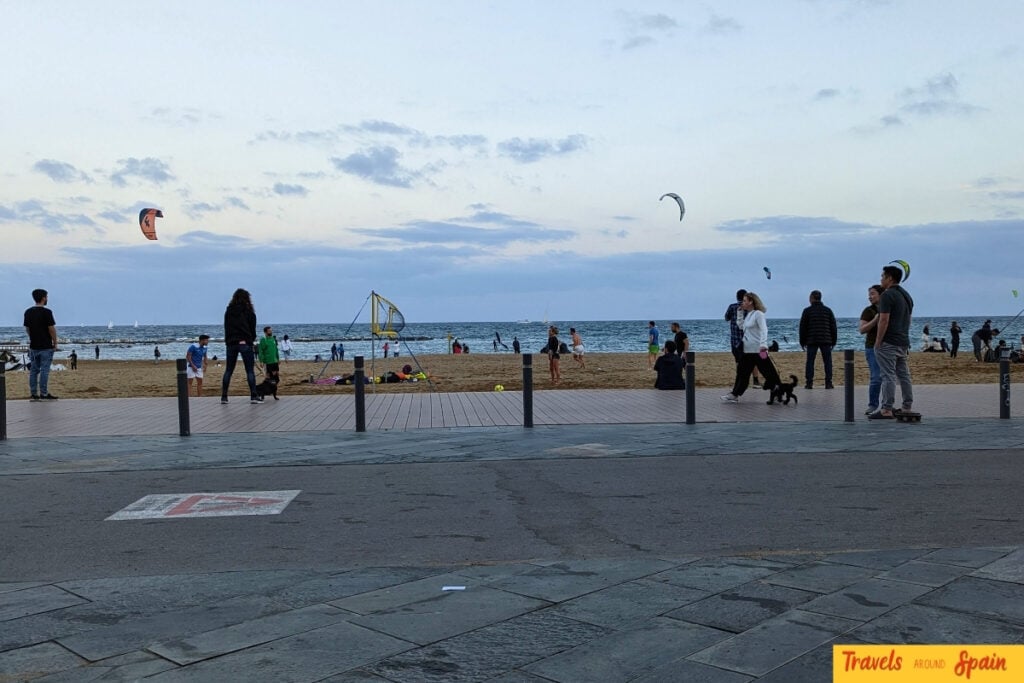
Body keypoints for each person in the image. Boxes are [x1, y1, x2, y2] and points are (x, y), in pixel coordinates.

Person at [870, 265, 914, 419]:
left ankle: (887, 409)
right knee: (904, 375)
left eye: (883, 276)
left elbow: (884, 319)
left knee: (888, 375)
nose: (881, 279)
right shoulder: (906, 295)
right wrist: (904, 336)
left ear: (889, 278)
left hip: (889, 342)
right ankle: (907, 406)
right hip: (903, 340)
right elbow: (908, 319)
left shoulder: (887, 295)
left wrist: (878, 340)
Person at [721, 291, 780, 402]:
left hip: (759, 349)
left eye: (744, 301)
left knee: (768, 371)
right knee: (742, 372)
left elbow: (764, 329)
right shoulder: (749, 314)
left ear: (751, 301)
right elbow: (742, 326)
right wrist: (739, 314)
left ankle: (777, 390)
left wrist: (763, 344)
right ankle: (734, 394)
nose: (742, 303)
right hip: (747, 349)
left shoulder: (758, 314)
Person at [220, 288, 261, 404]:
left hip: (232, 343)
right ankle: (253, 395)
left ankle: (224, 396)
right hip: (245, 342)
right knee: (249, 371)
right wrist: (250, 340)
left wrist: (228, 341)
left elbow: (226, 327)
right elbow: (252, 328)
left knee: (229, 370)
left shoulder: (229, 311)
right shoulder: (249, 311)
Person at [23, 288, 59, 400]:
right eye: (47, 297)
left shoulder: (28, 312)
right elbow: (51, 329)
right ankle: (43, 393)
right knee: (44, 370)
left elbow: (27, 328)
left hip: (34, 346)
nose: (47, 299)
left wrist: (32, 337)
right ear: (43, 298)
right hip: (46, 346)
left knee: (34, 370)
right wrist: (55, 342)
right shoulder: (47, 312)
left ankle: (34, 393)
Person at [799, 290, 837, 389]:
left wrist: (802, 341)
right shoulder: (828, 310)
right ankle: (828, 383)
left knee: (810, 361)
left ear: (811, 298)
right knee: (827, 361)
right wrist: (834, 340)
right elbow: (833, 327)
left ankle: (809, 383)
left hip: (812, 339)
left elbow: (803, 327)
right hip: (826, 339)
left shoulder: (807, 311)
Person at [725, 289, 760, 386]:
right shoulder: (750, 308)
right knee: (753, 360)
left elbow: (726, 318)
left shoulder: (732, 307)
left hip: (735, 340)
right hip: (749, 339)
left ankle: (740, 380)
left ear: (737, 297)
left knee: (738, 361)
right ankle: (756, 381)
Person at [859, 284, 884, 415]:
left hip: (888, 347)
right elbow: (862, 329)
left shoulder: (889, 308)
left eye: (873, 293)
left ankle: (887, 406)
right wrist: (875, 320)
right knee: (876, 377)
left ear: (881, 294)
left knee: (888, 377)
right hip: (872, 347)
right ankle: (873, 404)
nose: (870, 297)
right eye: (869, 294)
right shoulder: (868, 311)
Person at [257, 325, 281, 400]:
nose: (271, 331)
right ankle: (262, 393)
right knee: (268, 379)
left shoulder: (273, 339)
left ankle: (273, 392)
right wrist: (261, 361)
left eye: (271, 330)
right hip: (268, 362)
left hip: (274, 361)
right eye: (269, 331)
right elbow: (261, 351)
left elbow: (276, 349)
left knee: (276, 379)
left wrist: (278, 358)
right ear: (265, 332)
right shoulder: (263, 340)